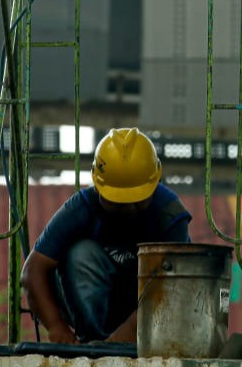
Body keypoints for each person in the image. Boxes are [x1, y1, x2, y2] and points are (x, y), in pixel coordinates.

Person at [21, 127, 192, 344]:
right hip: (94, 312)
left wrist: (125, 335)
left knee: (171, 278)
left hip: (152, 315)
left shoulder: (170, 215)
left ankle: (108, 344)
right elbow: (32, 270)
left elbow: (173, 287)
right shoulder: (81, 208)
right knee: (80, 254)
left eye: (137, 201)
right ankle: (93, 341)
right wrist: (56, 327)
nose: (128, 207)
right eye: (118, 201)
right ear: (98, 186)